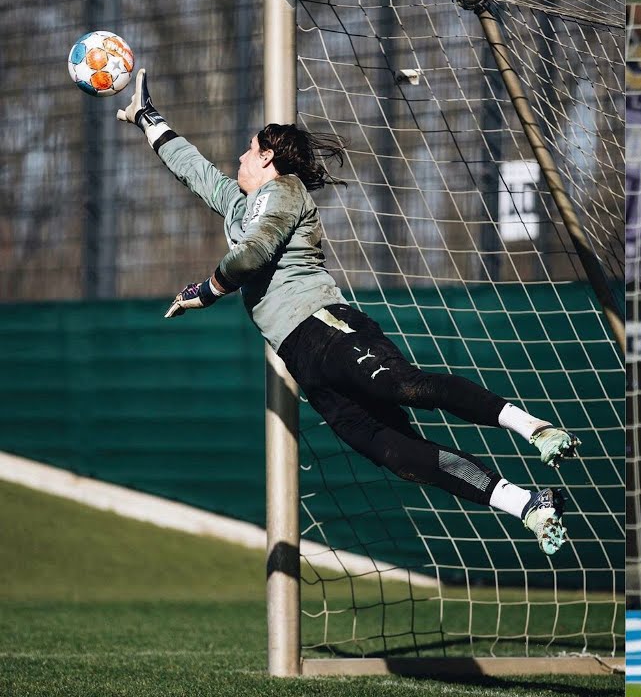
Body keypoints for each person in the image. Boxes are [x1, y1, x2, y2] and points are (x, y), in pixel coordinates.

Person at [116, 70, 580, 556]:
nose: (239, 157)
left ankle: (535, 429)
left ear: (268, 157)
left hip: (326, 328)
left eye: (248, 149)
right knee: (398, 455)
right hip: (302, 357)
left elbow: (252, 254)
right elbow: (193, 169)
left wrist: (207, 290)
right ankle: (528, 503)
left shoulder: (286, 191)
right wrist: (148, 118)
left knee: (403, 385)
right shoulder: (240, 205)